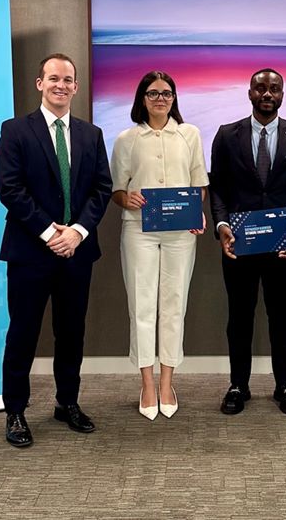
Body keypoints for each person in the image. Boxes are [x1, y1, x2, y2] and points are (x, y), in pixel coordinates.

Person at [0, 53, 112, 447]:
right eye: (53, 78)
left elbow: (101, 189)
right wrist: (50, 233)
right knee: (23, 334)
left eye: (68, 80)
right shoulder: (15, 130)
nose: (61, 85)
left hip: (77, 252)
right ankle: (15, 411)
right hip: (30, 251)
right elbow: (10, 189)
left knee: (71, 333)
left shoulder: (90, 135)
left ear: (76, 87)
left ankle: (67, 403)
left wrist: (76, 232)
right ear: (39, 84)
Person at [209, 68, 286, 416]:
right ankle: (238, 385)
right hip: (238, 245)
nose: (267, 94)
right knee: (239, 317)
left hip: (283, 246)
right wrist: (222, 225)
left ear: (282, 94)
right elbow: (219, 189)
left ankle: (285, 385)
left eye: (274, 89)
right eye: (261, 88)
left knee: (281, 316)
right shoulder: (226, 135)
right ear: (249, 92)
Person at [110, 71, 208, 421]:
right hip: (139, 230)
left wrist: (199, 213)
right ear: (142, 98)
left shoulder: (189, 134)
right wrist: (128, 199)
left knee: (174, 305)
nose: (160, 99)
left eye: (166, 93)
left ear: (174, 98)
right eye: (153, 93)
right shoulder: (127, 138)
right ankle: (147, 383)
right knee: (142, 305)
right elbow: (117, 189)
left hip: (181, 232)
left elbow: (199, 181)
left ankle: (168, 381)